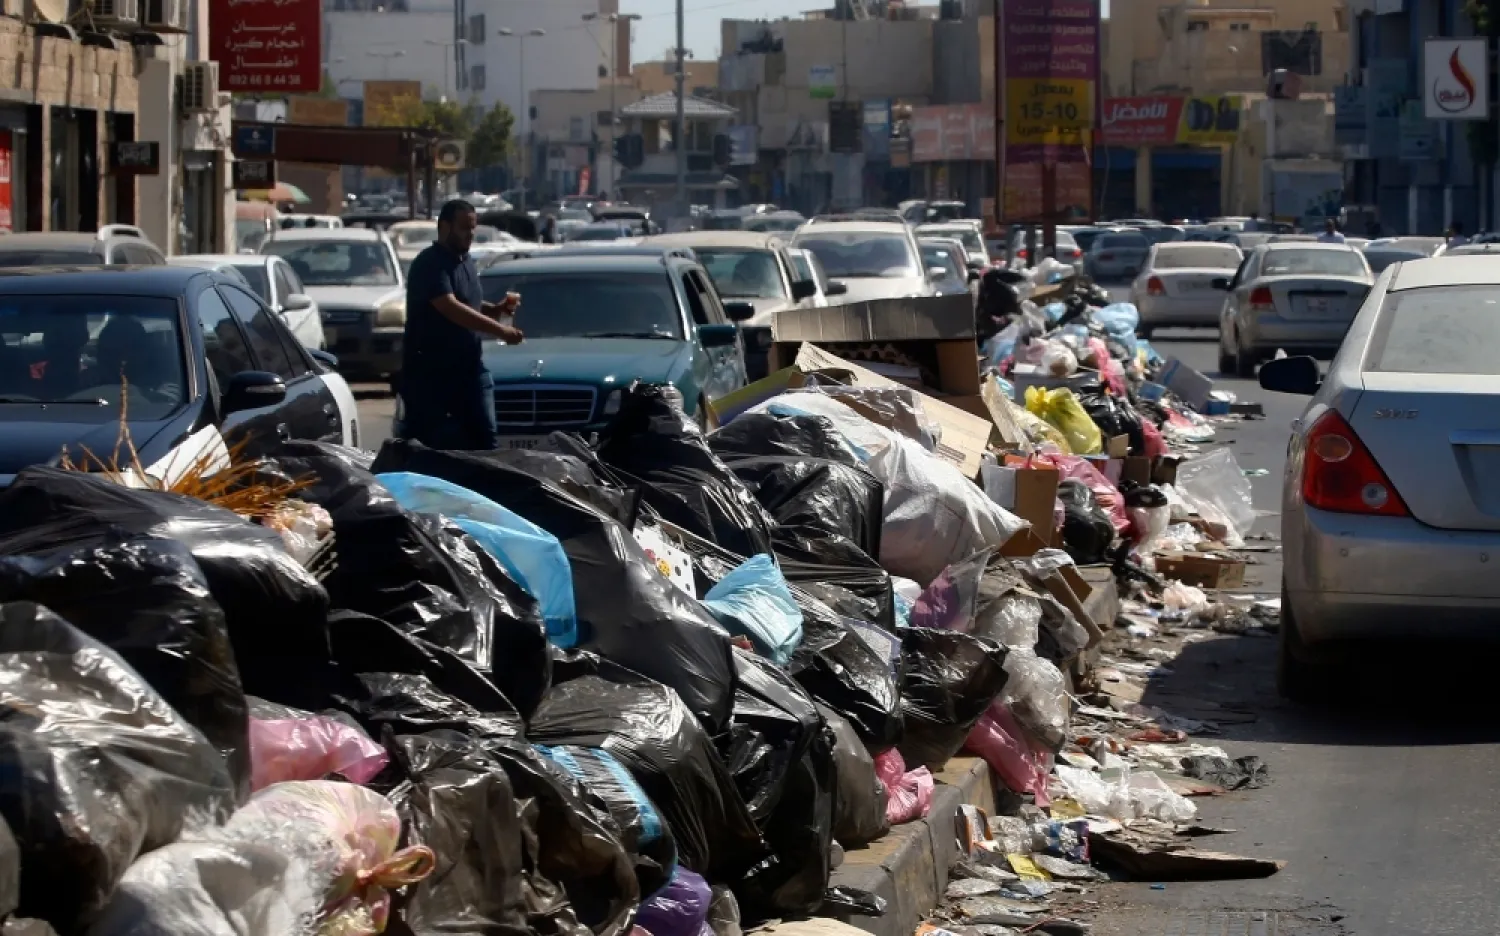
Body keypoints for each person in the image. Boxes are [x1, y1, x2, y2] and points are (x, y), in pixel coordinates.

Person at [400, 199, 524, 451]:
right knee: (435, 446)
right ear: (444, 227)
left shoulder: (465, 261)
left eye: (473, 229)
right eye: (464, 228)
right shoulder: (430, 263)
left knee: (486, 440)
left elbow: (469, 303)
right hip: (433, 375)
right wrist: (500, 330)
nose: (470, 235)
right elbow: (449, 307)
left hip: (469, 368)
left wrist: (496, 309)